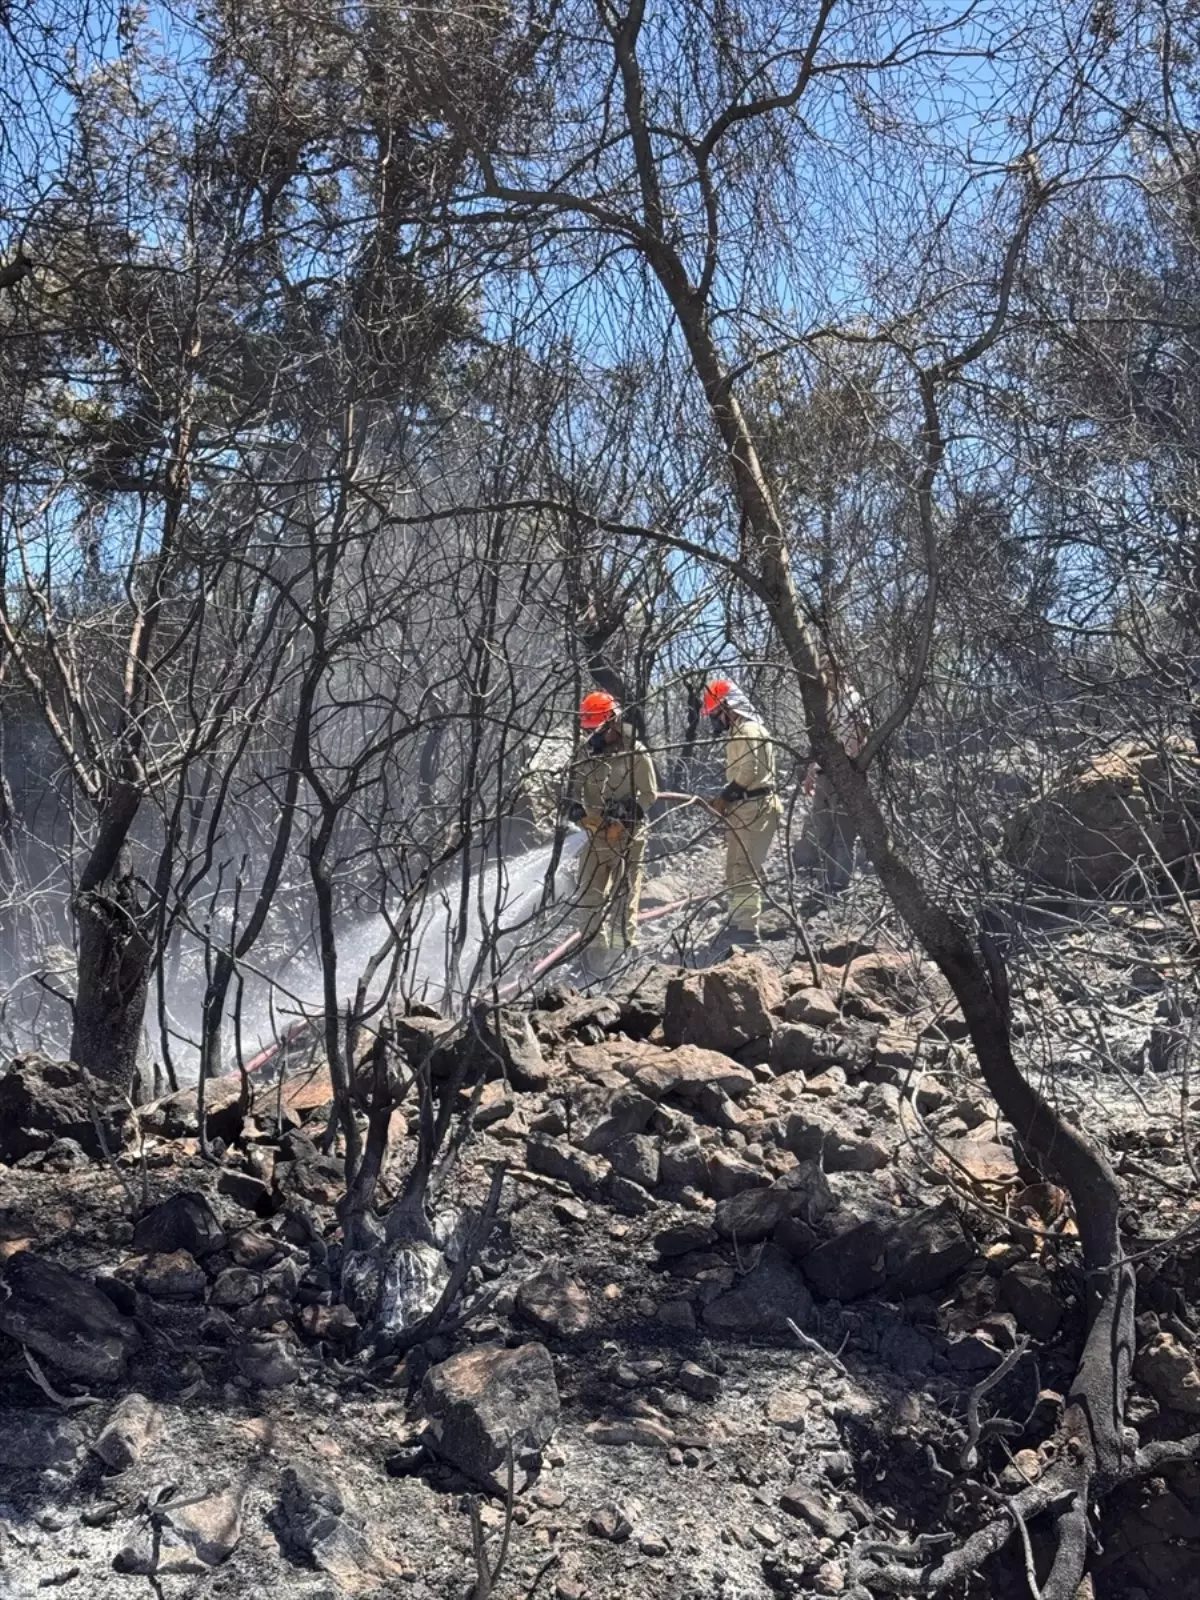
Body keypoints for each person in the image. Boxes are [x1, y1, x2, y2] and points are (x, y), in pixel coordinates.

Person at [564, 690, 658, 977]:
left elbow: (649, 794)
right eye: (589, 731)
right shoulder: (584, 753)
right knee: (589, 897)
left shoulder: (635, 752)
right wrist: (576, 810)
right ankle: (594, 955)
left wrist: (628, 811)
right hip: (594, 836)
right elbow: (571, 792)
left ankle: (621, 957)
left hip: (628, 836)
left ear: (613, 723)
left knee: (623, 899)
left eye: (597, 730)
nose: (592, 737)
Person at [702, 677, 782, 946]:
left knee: (745, 868)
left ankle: (747, 931)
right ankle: (738, 920)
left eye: (716, 712)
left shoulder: (749, 729)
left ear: (729, 706)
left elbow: (749, 772)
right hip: (743, 806)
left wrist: (725, 797)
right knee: (734, 867)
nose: (715, 719)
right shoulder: (739, 731)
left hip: (755, 806)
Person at [794, 661, 868, 895]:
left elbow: (860, 737)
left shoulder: (853, 701)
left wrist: (850, 767)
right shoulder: (825, 704)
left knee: (843, 834)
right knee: (823, 832)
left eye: (828, 672)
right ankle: (825, 882)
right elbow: (820, 744)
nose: (824, 678)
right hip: (823, 775)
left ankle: (840, 884)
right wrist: (811, 773)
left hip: (845, 773)